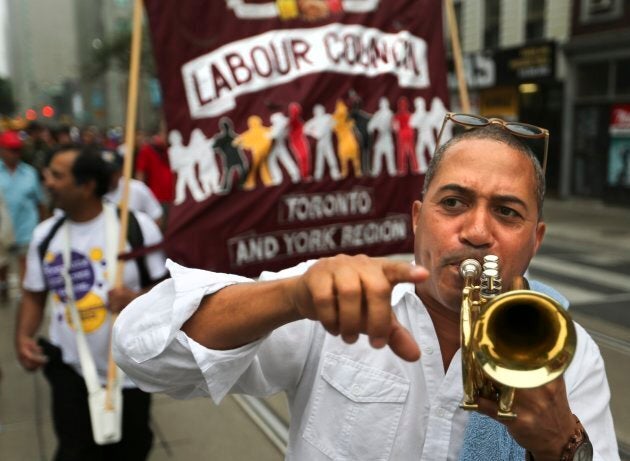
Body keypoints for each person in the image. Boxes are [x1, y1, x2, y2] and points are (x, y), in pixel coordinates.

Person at [113, 115, 619, 460]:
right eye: (453, 203)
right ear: (417, 221)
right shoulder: (333, 297)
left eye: (506, 212)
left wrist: (560, 444)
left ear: (535, 241)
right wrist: (293, 297)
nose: (478, 232)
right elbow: (144, 354)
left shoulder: (571, 353)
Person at [15, 145, 168, 460]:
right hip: (70, 371)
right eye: (48, 174)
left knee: (132, 449)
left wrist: (136, 299)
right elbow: (33, 293)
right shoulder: (45, 236)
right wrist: (23, 337)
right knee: (74, 450)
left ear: (87, 186)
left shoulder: (137, 228)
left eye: (58, 175)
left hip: (130, 374)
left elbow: (168, 293)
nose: (47, 182)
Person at [0, 130, 47, 299]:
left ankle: (25, 295)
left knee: (25, 262)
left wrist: (44, 226)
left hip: (26, 227)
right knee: (2, 264)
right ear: (2, 150)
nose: (15, 153)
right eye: (11, 149)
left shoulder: (29, 173)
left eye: (17, 149)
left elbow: (40, 202)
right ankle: (3, 285)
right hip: (3, 229)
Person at [101, 149, 164, 228]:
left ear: (120, 172)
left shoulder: (137, 188)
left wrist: (141, 236)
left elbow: (157, 217)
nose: (107, 177)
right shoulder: (90, 194)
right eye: (102, 172)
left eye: (111, 173)